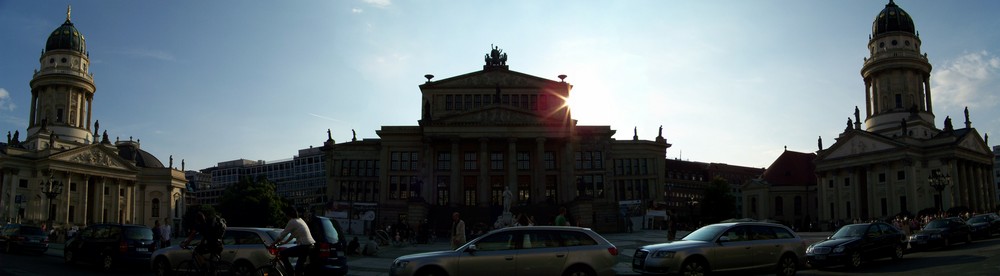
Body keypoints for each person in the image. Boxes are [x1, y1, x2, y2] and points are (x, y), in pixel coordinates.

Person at [270, 206, 316, 276]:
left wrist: (273, 244)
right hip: (310, 245)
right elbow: (293, 235)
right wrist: (285, 242)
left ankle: (290, 273)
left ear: (287, 215)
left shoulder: (292, 222)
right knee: (298, 269)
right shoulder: (300, 220)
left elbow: (282, 235)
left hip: (304, 246)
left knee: (283, 254)